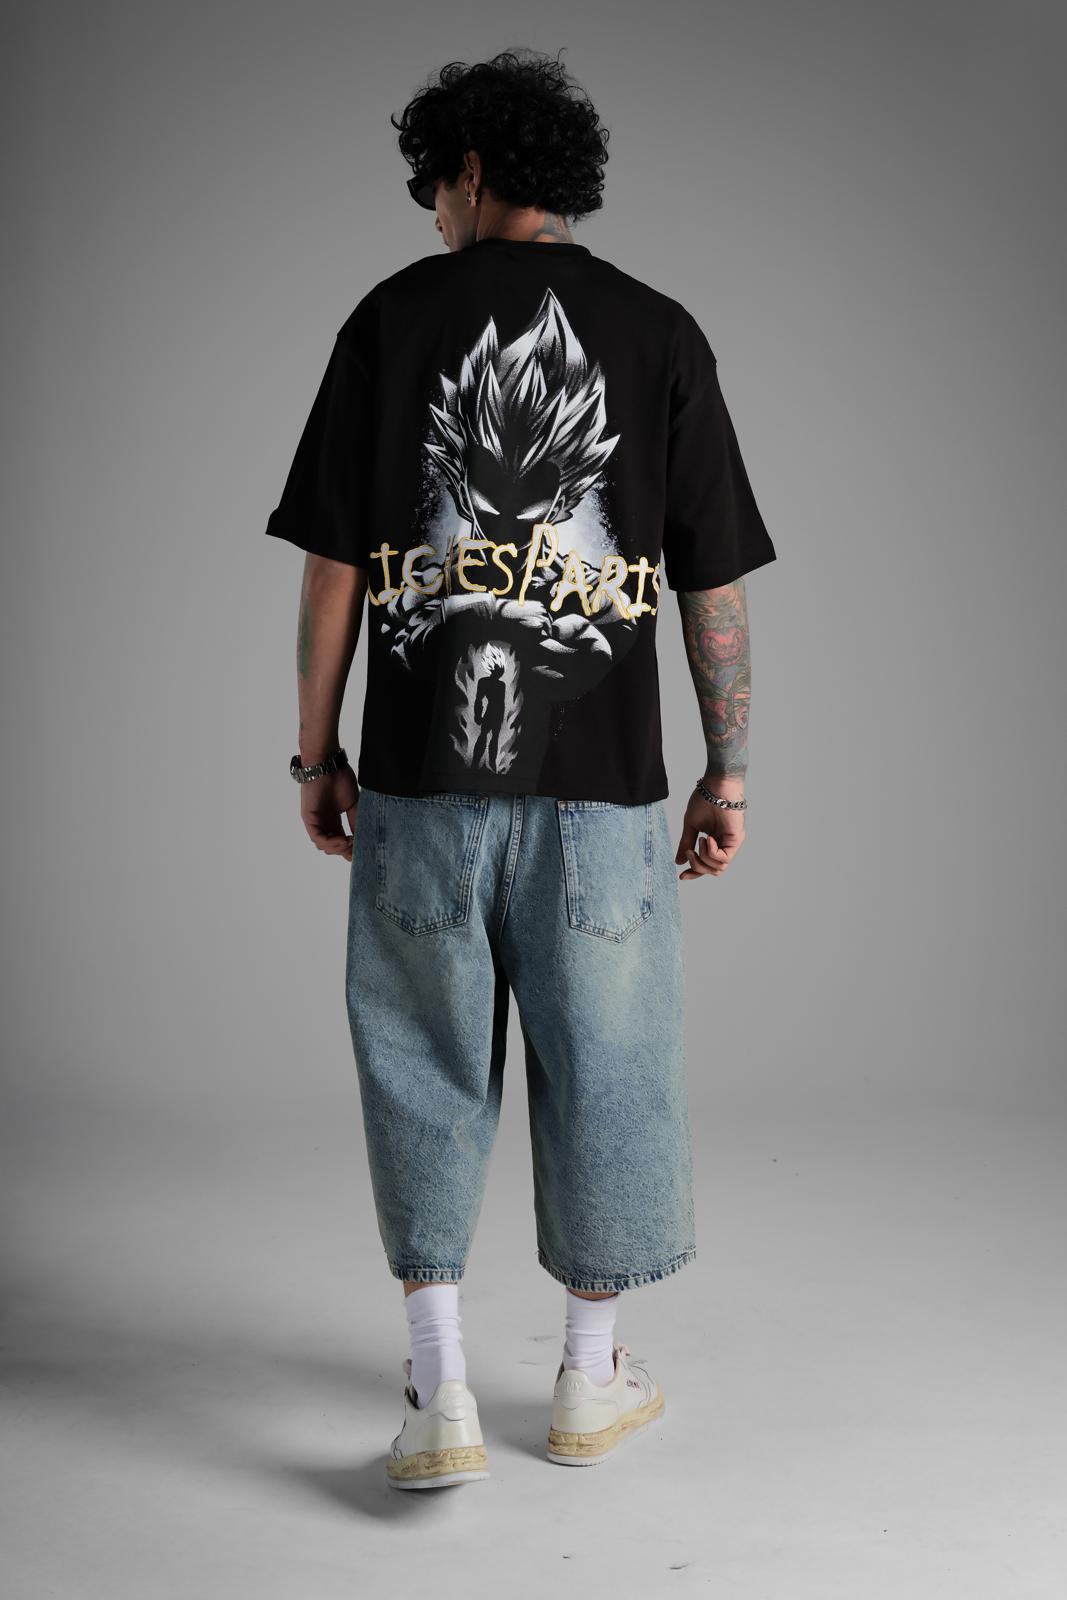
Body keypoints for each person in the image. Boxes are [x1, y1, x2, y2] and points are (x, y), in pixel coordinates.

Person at [264, 48, 777, 1488]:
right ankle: (588, 1383)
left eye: (433, 188)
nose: (432, 217)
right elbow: (713, 584)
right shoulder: (662, 332)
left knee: (419, 1062)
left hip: (420, 785)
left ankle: (441, 1395)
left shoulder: (389, 318)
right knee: (609, 1064)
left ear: (476, 171)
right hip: (602, 796)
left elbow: (331, 574)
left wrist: (317, 752)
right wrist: (729, 773)